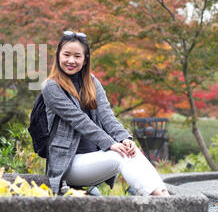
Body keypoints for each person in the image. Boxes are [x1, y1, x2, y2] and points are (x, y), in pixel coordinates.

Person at [41, 31, 169, 196]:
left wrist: (124, 138)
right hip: (67, 164)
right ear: (58, 55)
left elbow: (107, 115)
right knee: (120, 155)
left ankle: (163, 197)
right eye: (66, 55)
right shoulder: (51, 87)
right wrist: (110, 143)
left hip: (94, 159)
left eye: (77, 56)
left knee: (132, 150)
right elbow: (80, 121)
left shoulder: (92, 82)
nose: (71, 60)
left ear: (85, 59)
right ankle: (161, 200)